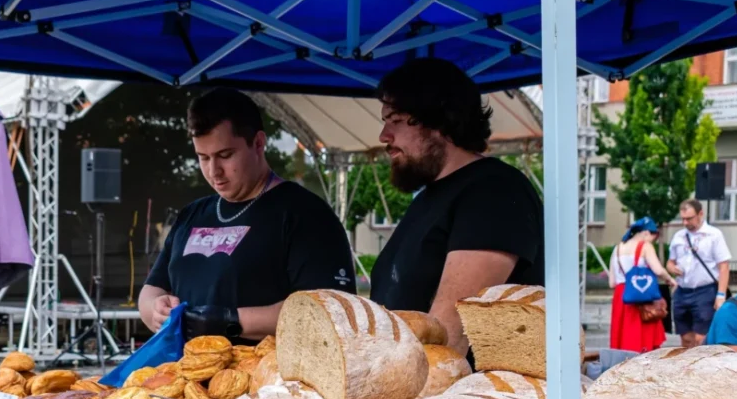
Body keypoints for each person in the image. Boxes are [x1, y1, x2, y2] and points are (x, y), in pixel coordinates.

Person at [139, 87, 355, 342]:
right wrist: (156, 309)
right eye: (203, 157)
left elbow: (329, 310)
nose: (214, 171)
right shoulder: (192, 214)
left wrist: (232, 321)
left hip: (268, 366)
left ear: (259, 143)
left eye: (225, 155)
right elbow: (151, 289)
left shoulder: (306, 214)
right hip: (187, 365)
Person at [368, 57, 544, 355]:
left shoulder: (493, 191)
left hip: (455, 383)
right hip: (405, 376)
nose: (384, 136)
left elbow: (450, 335)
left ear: (440, 121)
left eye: (395, 120)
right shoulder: (429, 197)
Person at [668, 199, 731, 348]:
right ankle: (686, 362)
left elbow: (724, 266)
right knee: (685, 338)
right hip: (683, 291)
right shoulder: (679, 236)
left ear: (700, 214)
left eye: (689, 218)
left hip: (705, 291)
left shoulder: (714, 235)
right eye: (683, 219)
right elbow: (670, 262)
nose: (685, 222)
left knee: (700, 338)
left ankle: (700, 362)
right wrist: (671, 268)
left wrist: (720, 295)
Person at [607, 217, 670, 353]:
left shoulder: (617, 248)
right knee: (642, 343)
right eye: (654, 236)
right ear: (646, 233)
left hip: (621, 297)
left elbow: (612, 282)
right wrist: (670, 279)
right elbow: (658, 270)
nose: (654, 240)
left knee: (622, 341)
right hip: (640, 298)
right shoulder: (645, 246)